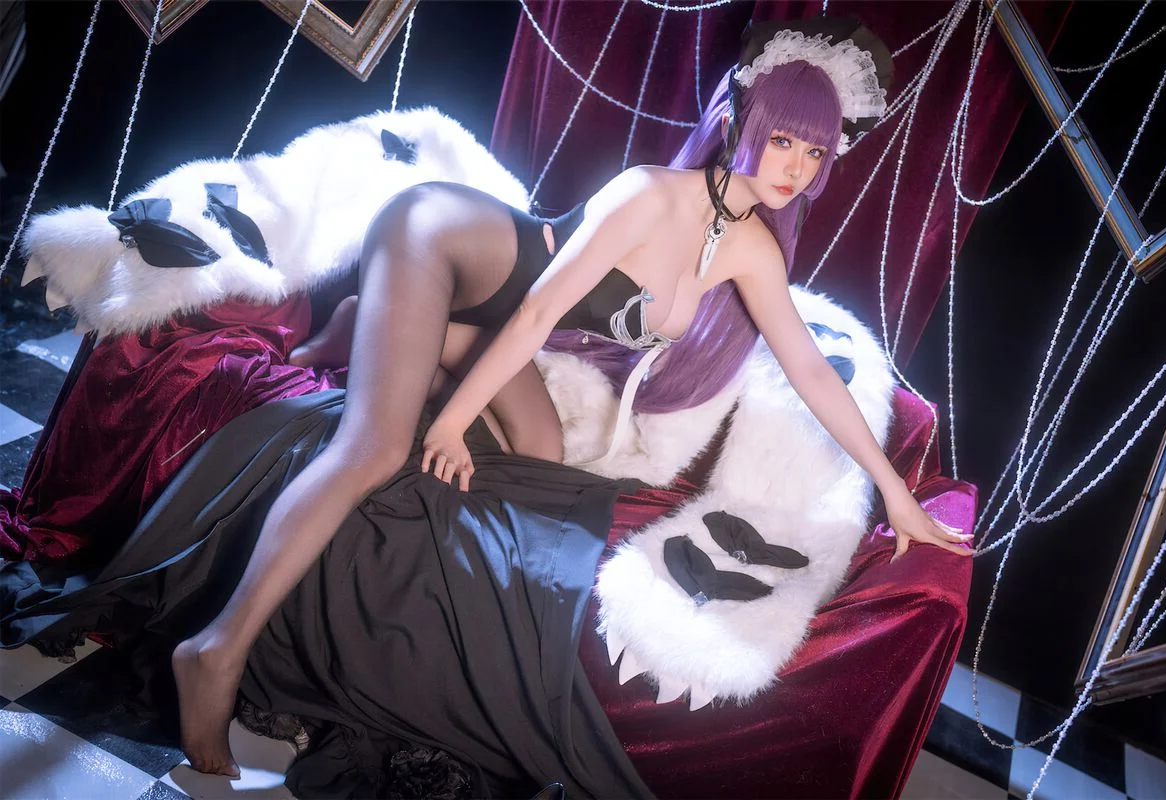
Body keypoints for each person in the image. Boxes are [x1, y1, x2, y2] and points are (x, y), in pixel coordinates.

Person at [172, 17, 974, 776]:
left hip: (489, 319)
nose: (794, 167)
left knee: (542, 454)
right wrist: (453, 421)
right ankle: (214, 651)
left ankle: (394, 331)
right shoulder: (650, 194)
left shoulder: (751, 250)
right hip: (440, 240)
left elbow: (810, 372)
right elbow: (535, 314)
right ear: (743, 123)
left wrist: (897, 496)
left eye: (814, 151)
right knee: (375, 450)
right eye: (784, 139)